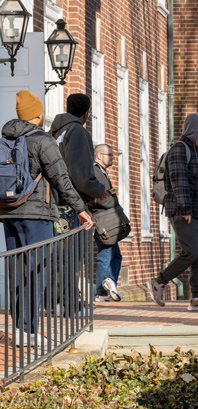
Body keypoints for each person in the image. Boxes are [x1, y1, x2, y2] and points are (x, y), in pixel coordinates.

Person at [0, 90, 93, 341]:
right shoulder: (42, 140)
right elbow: (61, 179)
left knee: (16, 272)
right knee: (36, 272)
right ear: (39, 115)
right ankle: (29, 331)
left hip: (9, 213)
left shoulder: (6, 137)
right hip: (37, 214)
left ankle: (19, 329)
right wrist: (81, 210)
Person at [147, 113, 198, 311]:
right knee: (190, 253)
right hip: (183, 211)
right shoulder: (178, 149)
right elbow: (178, 180)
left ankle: (197, 298)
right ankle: (159, 281)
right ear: (192, 129)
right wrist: (185, 208)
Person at [50, 93, 107, 202]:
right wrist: (98, 190)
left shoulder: (54, 131)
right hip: (69, 198)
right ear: (85, 114)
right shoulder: (78, 132)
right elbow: (80, 172)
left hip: (53, 195)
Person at [91, 144, 123, 302]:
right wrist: (112, 201)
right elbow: (97, 197)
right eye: (109, 154)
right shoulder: (95, 171)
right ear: (99, 156)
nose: (112, 157)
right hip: (102, 219)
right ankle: (106, 285)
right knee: (106, 252)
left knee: (116, 255)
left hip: (107, 218)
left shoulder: (101, 171)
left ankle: (102, 291)